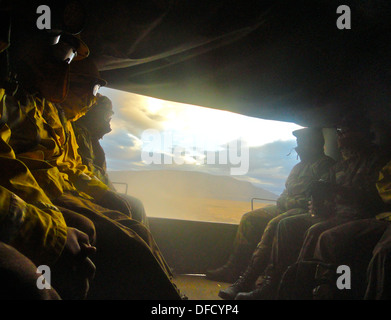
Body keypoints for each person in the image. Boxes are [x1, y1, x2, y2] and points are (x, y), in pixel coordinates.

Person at [5, 4, 182, 299]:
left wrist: (98, 194)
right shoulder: (17, 102)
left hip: (49, 192)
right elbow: (30, 167)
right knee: (114, 236)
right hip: (42, 193)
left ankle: (171, 294)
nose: (90, 98)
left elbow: (66, 167)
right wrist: (62, 211)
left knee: (127, 221)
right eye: (87, 87)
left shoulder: (44, 110)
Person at [234, 114, 389, 300]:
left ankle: (313, 290)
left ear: (360, 134)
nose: (339, 137)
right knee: (289, 226)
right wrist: (317, 201)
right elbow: (318, 191)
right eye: (338, 132)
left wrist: (336, 191)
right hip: (333, 214)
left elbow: (376, 200)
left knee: (323, 236)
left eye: (344, 132)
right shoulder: (340, 165)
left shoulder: (378, 161)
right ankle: (279, 286)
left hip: (361, 216)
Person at [0, 7, 96, 300]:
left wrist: (52, 216)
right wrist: (51, 229)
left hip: (33, 196)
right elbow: (26, 165)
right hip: (31, 197)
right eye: (59, 52)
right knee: (33, 287)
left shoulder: (31, 104)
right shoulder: (16, 102)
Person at [211, 127, 335, 288]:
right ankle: (233, 268)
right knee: (249, 218)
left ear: (314, 144)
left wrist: (289, 203)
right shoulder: (298, 167)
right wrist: (283, 201)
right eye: (298, 142)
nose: (298, 146)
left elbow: (317, 200)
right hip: (285, 205)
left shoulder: (326, 166)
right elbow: (286, 191)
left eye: (302, 142)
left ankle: (253, 278)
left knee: (275, 224)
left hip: (304, 211)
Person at [73, 93, 149, 227]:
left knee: (135, 205)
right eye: (106, 116)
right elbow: (88, 172)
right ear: (94, 114)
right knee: (135, 205)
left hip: (95, 190)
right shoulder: (80, 135)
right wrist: (108, 194)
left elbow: (99, 174)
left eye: (110, 116)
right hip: (86, 193)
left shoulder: (90, 139)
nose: (108, 122)